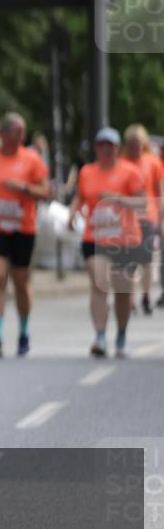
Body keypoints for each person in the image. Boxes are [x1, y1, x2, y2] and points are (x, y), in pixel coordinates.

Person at [0, 112, 50, 357]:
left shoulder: (32, 159)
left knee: (21, 281)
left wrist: (23, 188)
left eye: (23, 132)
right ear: (3, 134)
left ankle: (24, 332)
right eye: (17, 131)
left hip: (23, 227)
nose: (21, 136)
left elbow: (45, 192)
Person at [68, 127, 146, 358]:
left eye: (110, 145)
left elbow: (142, 204)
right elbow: (79, 197)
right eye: (101, 145)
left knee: (123, 291)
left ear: (117, 148)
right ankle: (100, 336)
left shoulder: (130, 172)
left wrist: (118, 198)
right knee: (99, 283)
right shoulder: (87, 172)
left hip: (125, 238)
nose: (106, 149)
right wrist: (73, 213)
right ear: (96, 148)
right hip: (95, 236)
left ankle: (121, 334)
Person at [119, 124, 163, 315]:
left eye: (138, 143)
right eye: (131, 143)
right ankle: (130, 297)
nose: (135, 147)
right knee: (129, 260)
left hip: (148, 216)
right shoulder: (121, 162)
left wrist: (161, 219)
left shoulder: (152, 162)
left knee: (145, 259)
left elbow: (159, 192)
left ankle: (145, 295)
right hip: (127, 219)